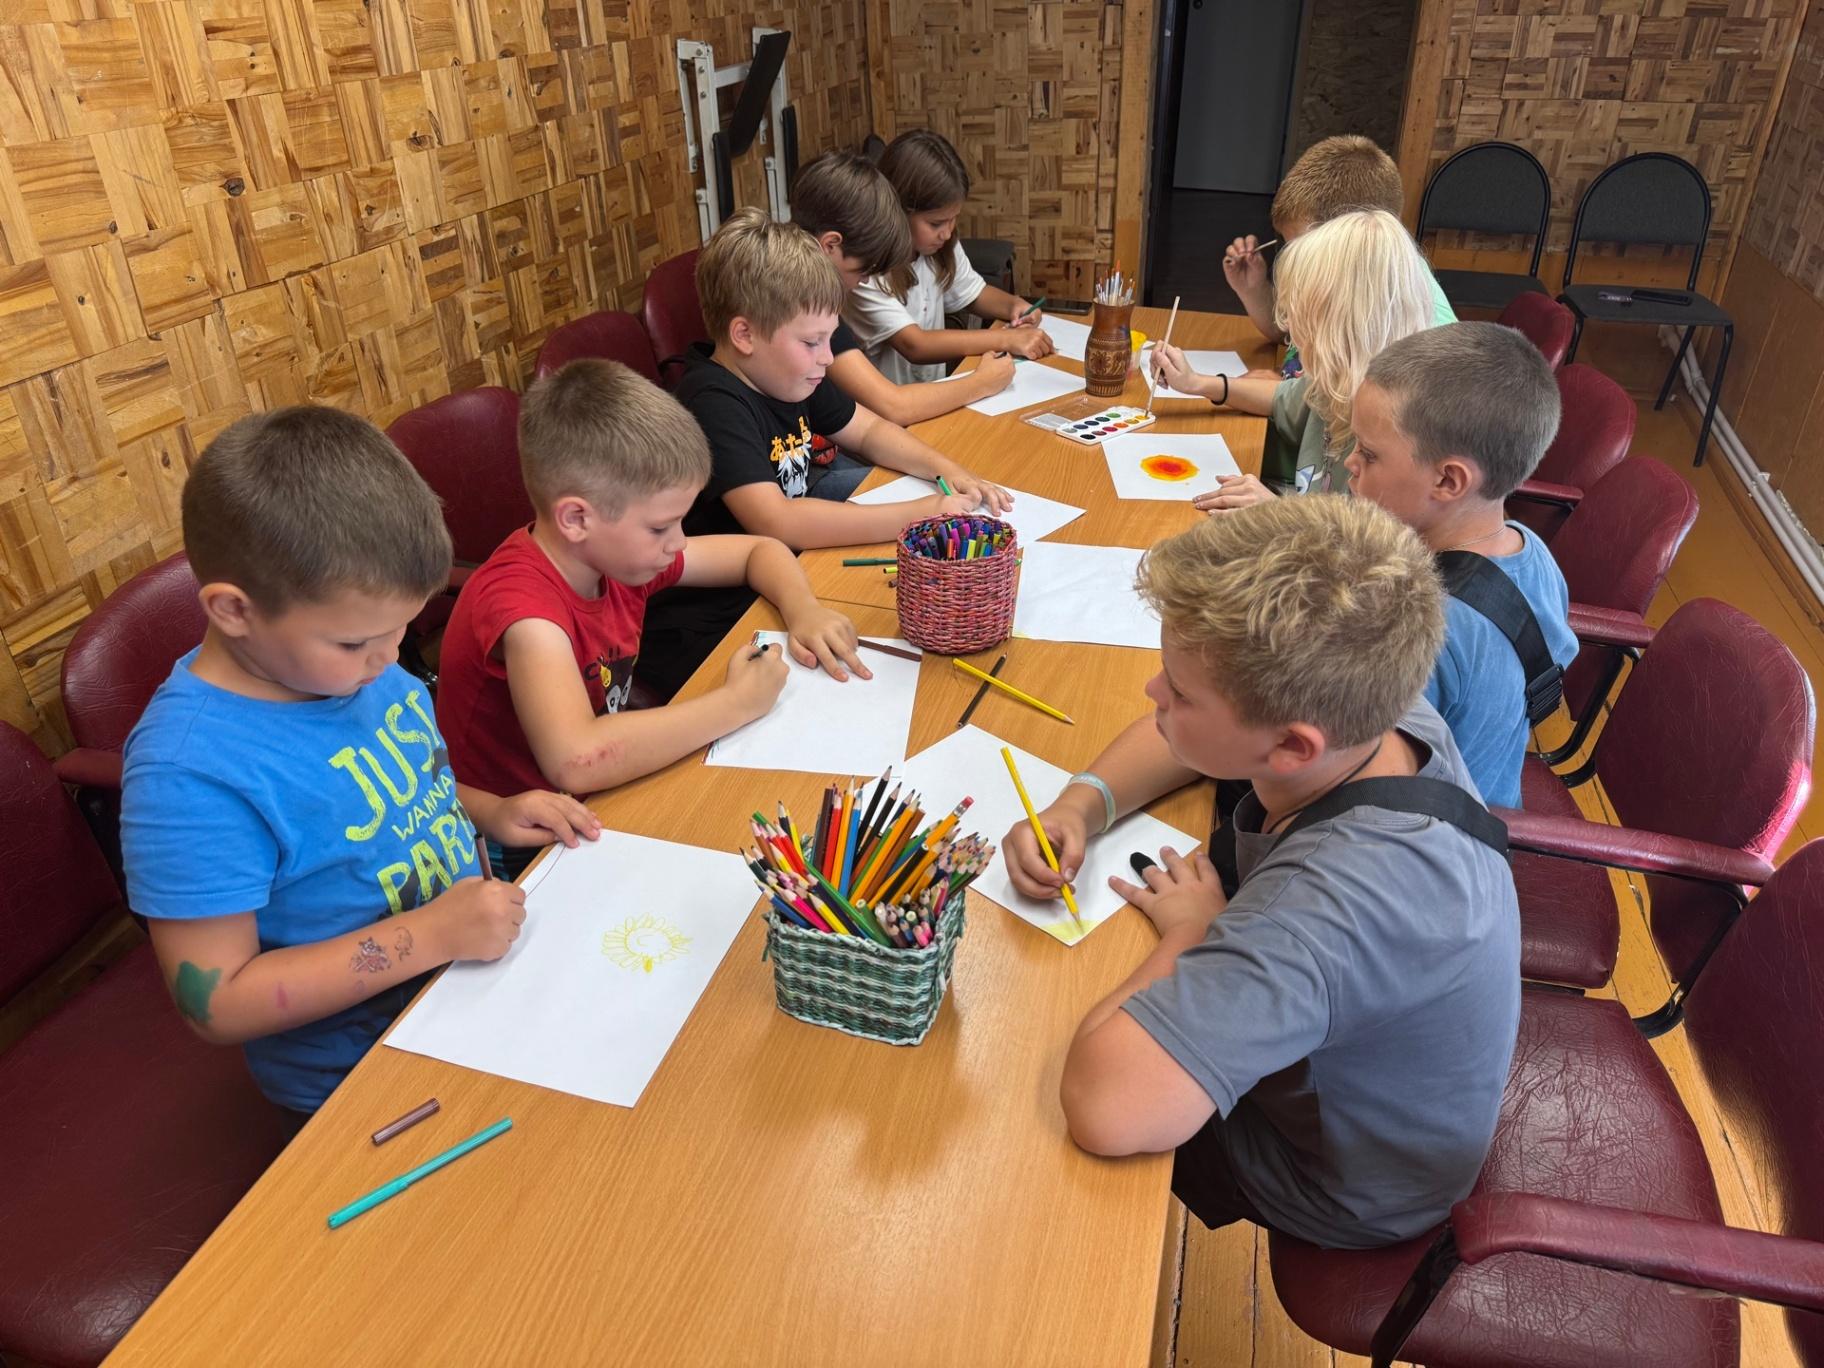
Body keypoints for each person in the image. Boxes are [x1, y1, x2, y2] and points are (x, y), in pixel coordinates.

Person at [1004, 496, 1519, 1249]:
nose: (1154, 694)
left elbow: (1105, 1107)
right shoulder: (1374, 708)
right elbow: (1186, 737)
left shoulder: (1323, 910)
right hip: (1384, 1080)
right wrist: (1081, 805)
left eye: (1180, 691)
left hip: (1341, 1184)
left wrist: (1192, 930)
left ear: (1291, 749)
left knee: (1020, 1125)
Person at [121, 406, 600, 1117]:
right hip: (367, 1072)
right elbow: (216, 1003)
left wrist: (491, 811)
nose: (388, 658)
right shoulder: (188, 776)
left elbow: (395, 796)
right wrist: (429, 935)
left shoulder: (347, 669)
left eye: (402, 628)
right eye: (356, 642)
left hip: (475, 976)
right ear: (233, 610)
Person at [436, 359, 866, 858]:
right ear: (576, 519)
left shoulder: (614, 554)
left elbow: (759, 551)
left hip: (592, 803)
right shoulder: (528, 612)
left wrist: (804, 609)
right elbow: (576, 759)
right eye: (661, 527)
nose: (677, 542)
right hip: (509, 844)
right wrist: (737, 703)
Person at [645, 208, 1009, 693]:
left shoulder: (784, 372)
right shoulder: (712, 401)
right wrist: (918, 514)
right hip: (716, 618)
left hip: (784, 576)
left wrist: (947, 468)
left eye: (828, 339)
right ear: (744, 335)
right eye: (813, 342)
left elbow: (868, 430)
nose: (827, 358)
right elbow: (777, 522)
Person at [1346, 321, 1577, 809]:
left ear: (1449, 481)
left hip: (1432, 830)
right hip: (1489, 792)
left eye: (1368, 453)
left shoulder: (1418, 629)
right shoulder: (1529, 547)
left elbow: (1363, 790)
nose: (1350, 463)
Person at [1159, 210, 1434, 506]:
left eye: (1301, 315)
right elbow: (1282, 397)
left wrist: (1276, 510)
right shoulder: (1338, 379)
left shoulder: (1395, 437)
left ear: (1341, 325)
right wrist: (1197, 383)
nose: (1288, 327)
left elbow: (1360, 536)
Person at [791, 149, 1017, 422]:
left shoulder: (821, 309)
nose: (866, 280)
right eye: (863, 270)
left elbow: (865, 430)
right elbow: (893, 406)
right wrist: (982, 382)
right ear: (830, 245)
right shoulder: (804, 311)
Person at [1216, 134, 1455, 376]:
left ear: (1355, 235)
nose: (1295, 263)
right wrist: (1253, 289)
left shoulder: (1419, 336)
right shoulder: (1353, 275)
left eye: (1302, 250)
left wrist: (1278, 391)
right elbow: (1289, 334)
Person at [845, 128, 1055, 384]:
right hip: (891, 402)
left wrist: (1014, 306)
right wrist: (1007, 338)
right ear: (897, 211)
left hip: (935, 393)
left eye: (953, 219)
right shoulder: (864, 271)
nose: (946, 233)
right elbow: (915, 345)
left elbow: (974, 294)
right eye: (935, 223)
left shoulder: (939, 246)